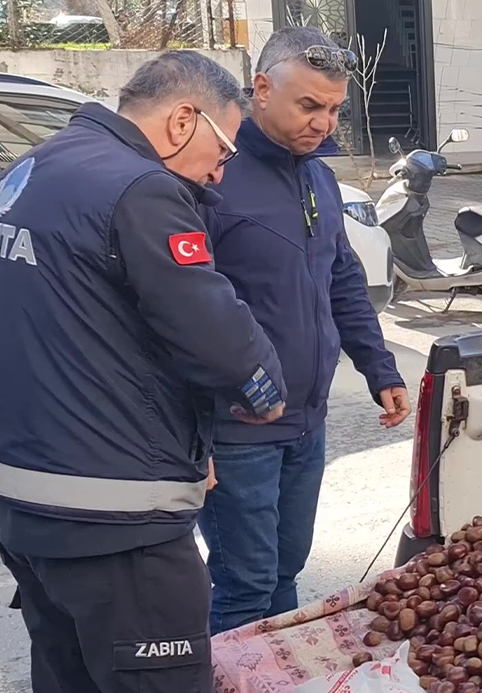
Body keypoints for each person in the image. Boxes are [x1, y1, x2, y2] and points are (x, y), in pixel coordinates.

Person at [0, 51, 286, 693]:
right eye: (225, 149)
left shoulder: (35, 167)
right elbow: (213, 331)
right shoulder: (141, 188)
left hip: (27, 507)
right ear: (184, 119)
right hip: (118, 518)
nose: (219, 173)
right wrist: (264, 392)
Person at [198, 26, 410, 634]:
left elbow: (341, 277)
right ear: (261, 89)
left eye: (335, 109)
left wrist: (379, 366)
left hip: (306, 420)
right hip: (237, 427)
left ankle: (279, 672)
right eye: (309, 105)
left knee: (286, 568)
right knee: (245, 582)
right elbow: (180, 308)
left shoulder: (316, 175)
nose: (323, 123)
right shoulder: (213, 174)